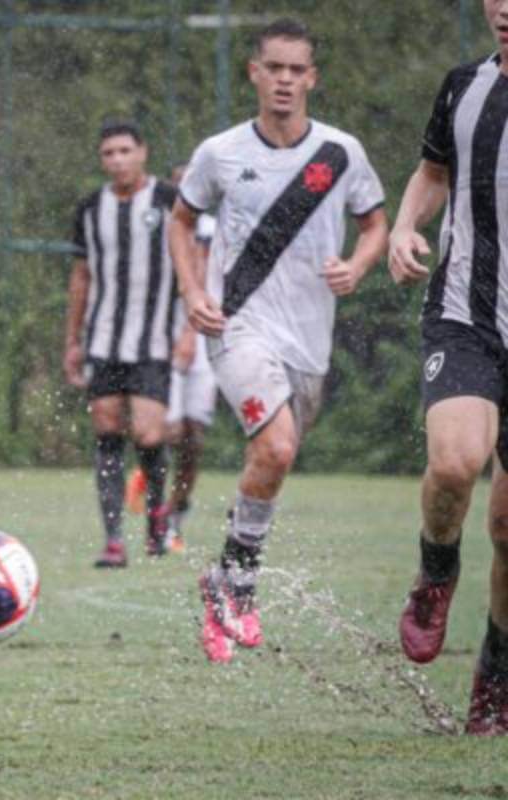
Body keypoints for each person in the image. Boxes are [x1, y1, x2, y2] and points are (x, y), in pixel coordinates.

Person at [169, 19, 388, 664]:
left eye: (298, 70)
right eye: (275, 69)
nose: (286, 81)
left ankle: (221, 579)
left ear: (312, 78)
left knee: (274, 459)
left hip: (308, 344)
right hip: (236, 327)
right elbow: (182, 222)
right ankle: (241, 584)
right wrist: (192, 292)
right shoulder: (222, 153)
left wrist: (360, 263)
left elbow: (374, 223)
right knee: (278, 444)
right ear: (254, 74)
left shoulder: (340, 153)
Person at [389, 0, 508, 736]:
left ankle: (496, 673)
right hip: (467, 313)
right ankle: (436, 571)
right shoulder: (464, 87)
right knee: (458, 462)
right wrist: (406, 224)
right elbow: (433, 171)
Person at [64, 120, 178, 568]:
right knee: (107, 432)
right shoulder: (91, 208)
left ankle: (156, 516)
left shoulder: (169, 201)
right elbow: (81, 277)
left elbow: (196, 259)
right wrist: (72, 340)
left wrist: (190, 330)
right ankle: (113, 539)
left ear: (142, 152)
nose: (117, 160)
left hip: (153, 341)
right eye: (108, 153)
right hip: (103, 340)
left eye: (124, 151)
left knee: (149, 434)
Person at [163, 163, 219, 554]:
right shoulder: (162, 228)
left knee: (192, 435)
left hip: (204, 338)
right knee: (162, 431)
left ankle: (177, 511)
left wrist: (190, 333)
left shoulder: (215, 229)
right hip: (156, 336)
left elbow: (203, 278)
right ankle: (156, 507)